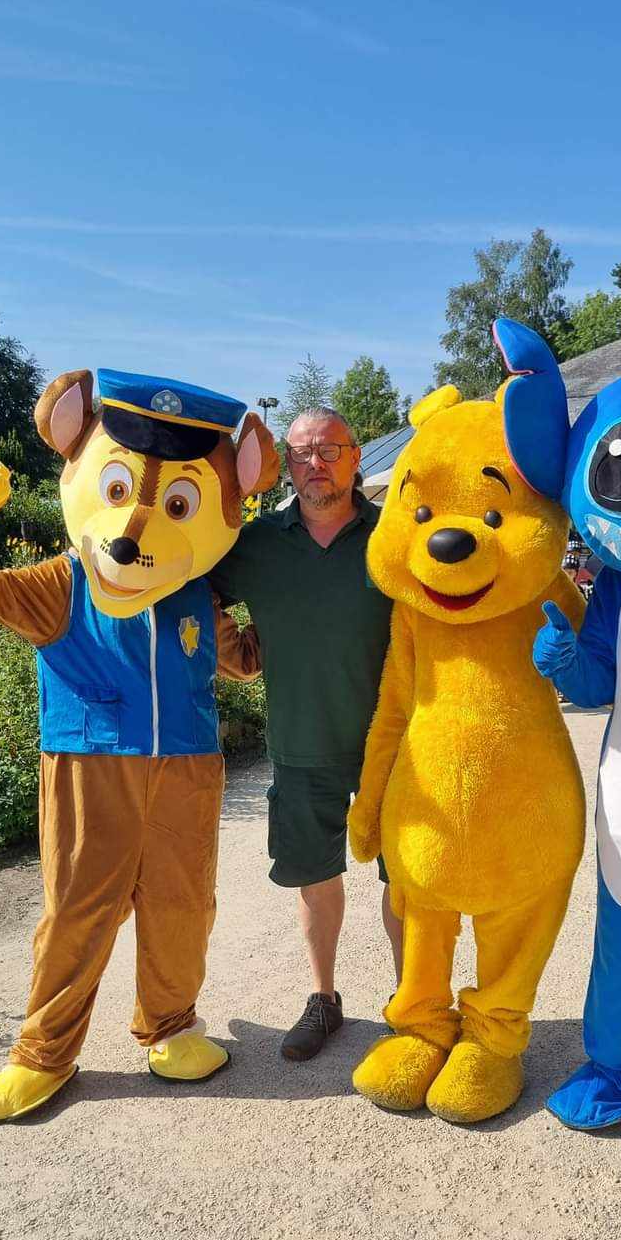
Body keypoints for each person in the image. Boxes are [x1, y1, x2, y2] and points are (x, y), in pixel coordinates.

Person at [209, 407, 403, 1061]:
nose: (313, 465)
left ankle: (414, 1005)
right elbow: (195, 588)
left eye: (328, 450)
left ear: (355, 457)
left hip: (395, 746)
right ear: (284, 466)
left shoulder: (395, 536)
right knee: (315, 874)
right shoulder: (258, 544)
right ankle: (325, 999)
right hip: (301, 743)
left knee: (405, 881)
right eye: (299, 454)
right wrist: (232, 649)